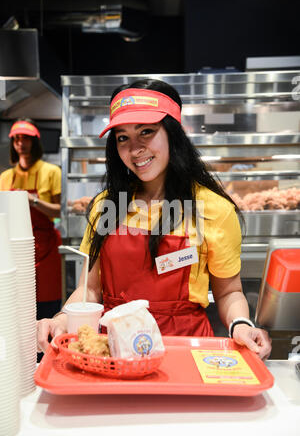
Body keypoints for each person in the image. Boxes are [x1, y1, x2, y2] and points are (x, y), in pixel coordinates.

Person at [37, 79, 272, 359]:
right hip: (114, 350)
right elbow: (89, 289)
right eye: (123, 137)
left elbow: (228, 292)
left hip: (183, 349)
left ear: (174, 133)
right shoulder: (106, 206)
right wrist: (63, 318)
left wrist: (241, 324)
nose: (135, 149)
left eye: (146, 132)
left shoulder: (213, 208)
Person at [0, 118, 62, 320]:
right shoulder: (5, 177)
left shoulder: (51, 172)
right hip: (15, 249)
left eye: (26, 138)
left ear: (35, 141)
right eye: (17, 139)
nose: (21, 143)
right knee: (17, 308)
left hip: (45, 250)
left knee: (47, 309)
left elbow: (59, 211)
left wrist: (33, 200)